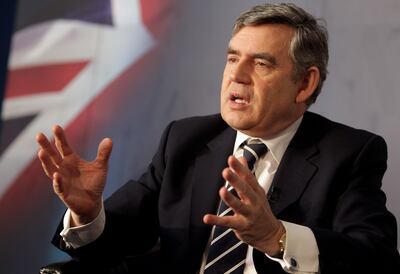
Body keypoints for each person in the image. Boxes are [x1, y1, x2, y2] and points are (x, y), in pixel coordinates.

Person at [37, 3, 400, 274]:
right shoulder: (186, 141)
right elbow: (116, 244)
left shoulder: (348, 154)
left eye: (261, 64)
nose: (236, 76)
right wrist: (87, 212)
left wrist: (276, 237)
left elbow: (376, 258)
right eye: (232, 59)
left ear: (305, 83)